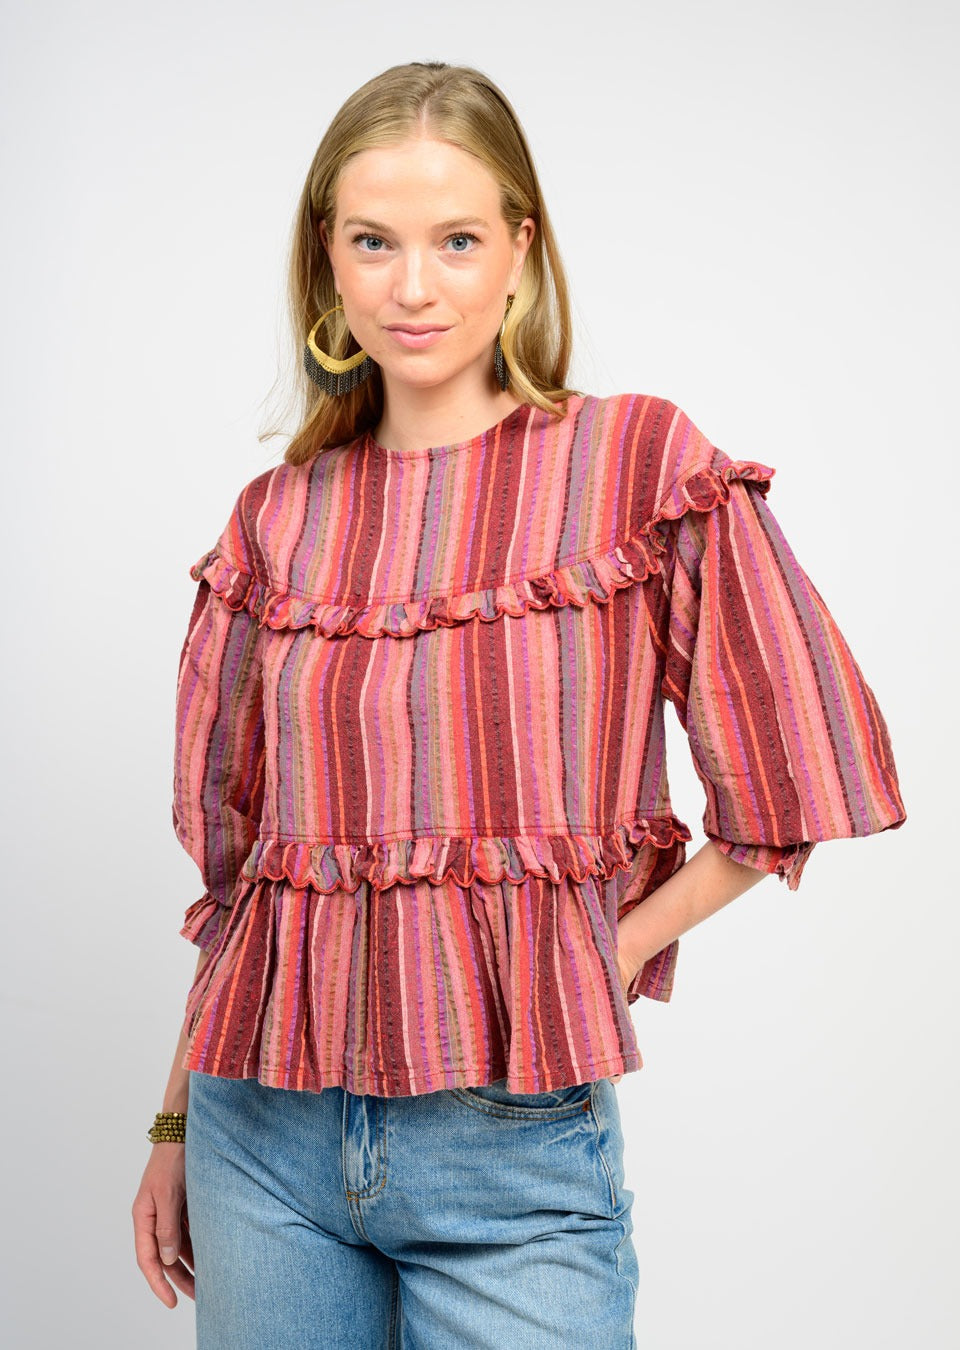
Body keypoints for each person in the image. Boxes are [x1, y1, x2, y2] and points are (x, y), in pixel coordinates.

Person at [131, 59, 906, 1348]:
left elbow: (802, 761)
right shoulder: (278, 519)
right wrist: (171, 1123)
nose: (413, 286)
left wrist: (611, 951)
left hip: (514, 1149)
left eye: (456, 240)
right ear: (327, 262)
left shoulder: (634, 463)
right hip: (259, 1141)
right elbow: (252, 880)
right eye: (373, 242)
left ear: (520, 252)